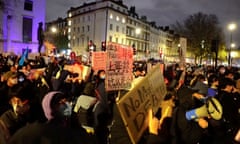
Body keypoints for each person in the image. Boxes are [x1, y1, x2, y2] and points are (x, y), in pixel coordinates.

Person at [8, 91, 96, 144]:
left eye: (67, 101)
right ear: (50, 107)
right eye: (61, 103)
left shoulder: (74, 124)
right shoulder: (41, 132)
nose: (67, 105)